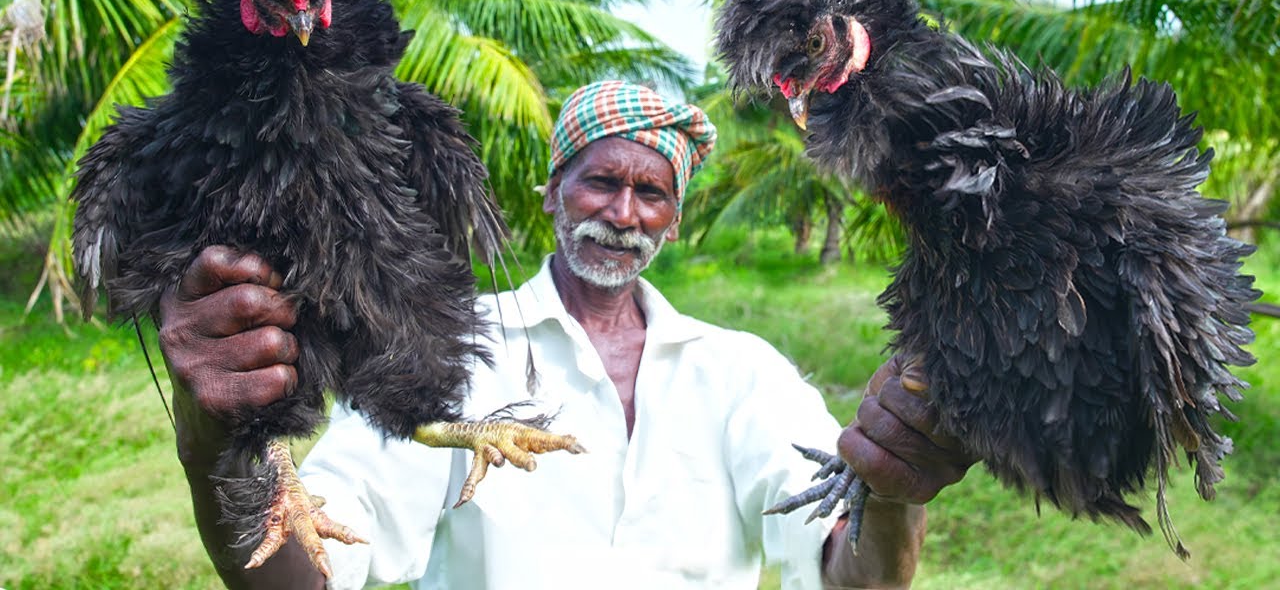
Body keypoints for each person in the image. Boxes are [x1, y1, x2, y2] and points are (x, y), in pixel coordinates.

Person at [158, 80, 973, 590]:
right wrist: (219, 444)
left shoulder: (741, 374)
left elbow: (852, 579)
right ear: (552, 193)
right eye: (602, 183)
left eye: (650, 194)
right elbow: (309, 574)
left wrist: (896, 492)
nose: (623, 214)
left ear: (675, 222)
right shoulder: (448, 348)